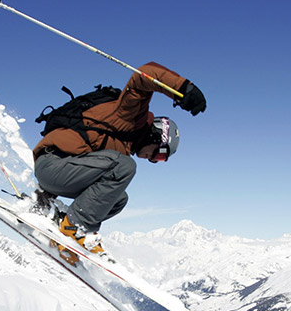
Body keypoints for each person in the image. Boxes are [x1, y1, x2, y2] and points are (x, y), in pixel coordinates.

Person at [32, 62, 206, 264]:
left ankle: (69, 225)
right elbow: (146, 74)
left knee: (118, 198)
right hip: (51, 165)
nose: (154, 161)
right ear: (156, 137)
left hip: (61, 172)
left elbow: (82, 161)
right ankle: (74, 227)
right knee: (124, 167)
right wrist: (183, 88)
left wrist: (43, 199)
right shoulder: (128, 117)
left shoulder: (123, 146)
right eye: (158, 155)